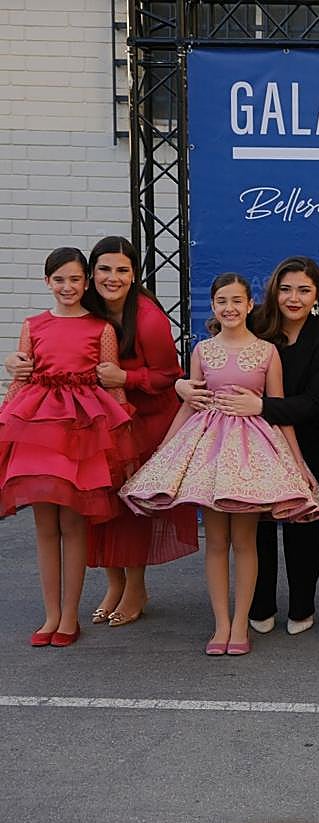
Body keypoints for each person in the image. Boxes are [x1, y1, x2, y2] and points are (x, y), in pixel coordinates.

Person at [121, 273, 319, 656]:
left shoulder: (267, 352)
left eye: (237, 301)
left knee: (246, 542)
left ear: (250, 305)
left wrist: (297, 462)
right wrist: (162, 455)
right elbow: (189, 403)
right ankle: (220, 625)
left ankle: (240, 625)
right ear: (213, 307)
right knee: (216, 542)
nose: (230, 308)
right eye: (221, 301)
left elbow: (279, 410)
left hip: (253, 454)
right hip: (209, 454)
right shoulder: (202, 351)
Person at [6, 237, 199, 628]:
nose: (113, 278)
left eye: (123, 270)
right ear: (91, 274)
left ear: (134, 275)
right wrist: (17, 363)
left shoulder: (146, 317)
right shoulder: (86, 307)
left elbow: (170, 375)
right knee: (100, 507)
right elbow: (44, 346)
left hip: (142, 418)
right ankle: (113, 583)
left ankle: (135, 587)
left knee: (129, 510)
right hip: (92, 423)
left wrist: (127, 377)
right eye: (105, 269)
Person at [178, 256, 319, 638]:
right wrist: (181, 385)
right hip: (246, 442)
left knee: (300, 525)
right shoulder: (256, 326)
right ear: (272, 292)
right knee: (255, 523)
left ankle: (303, 604)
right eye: (286, 289)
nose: (293, 298)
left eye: (304, 290)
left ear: (317, 294)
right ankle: (261, 603)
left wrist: (263, 407)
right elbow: (214, 367)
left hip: (305, 440)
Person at [0, 247, 137, 647]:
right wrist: (8, 417)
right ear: (47, 282)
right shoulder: (33, 324)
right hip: (38, 430)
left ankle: (70, 617)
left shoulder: (101, 329)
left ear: (86, 282)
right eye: (59, 279)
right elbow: (21, 379)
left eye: (75, 279)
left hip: (80, 434)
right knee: (45, 525)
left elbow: (112, 386)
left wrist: (123, 442)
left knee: (73, 524)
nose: (67, 287)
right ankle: (50, 615)